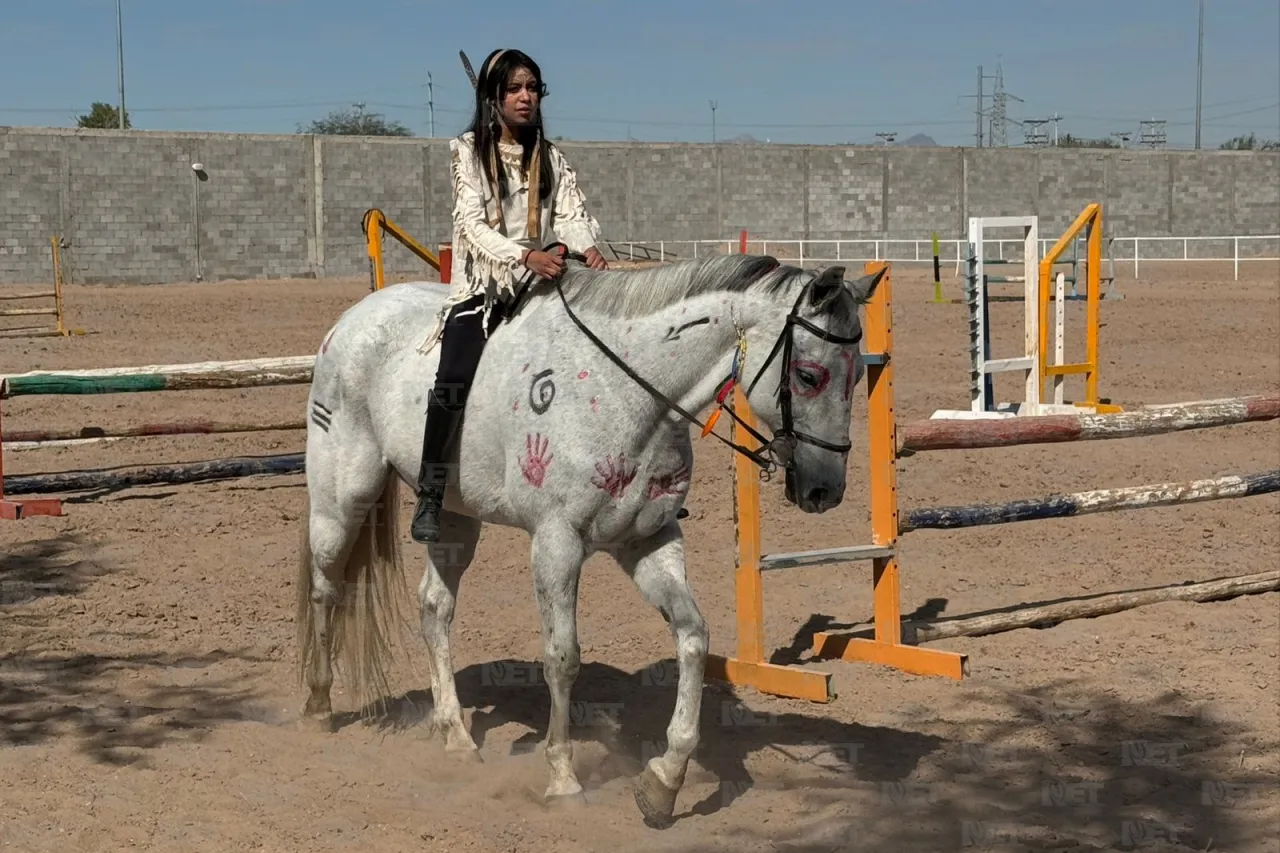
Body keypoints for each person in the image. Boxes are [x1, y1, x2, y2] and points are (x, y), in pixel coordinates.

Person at [411, 47, 609, 543]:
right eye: (515, 88)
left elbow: (570, 215)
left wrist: (585, 247)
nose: (527, 97)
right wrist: (525, 256)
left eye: (533, 88)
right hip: (485, 288)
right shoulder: (467, 152)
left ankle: (617, 480)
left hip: (546, 280)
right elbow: (471, 226)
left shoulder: (552, 157)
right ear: (493, 97)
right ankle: (431, 492)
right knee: (453, 376)